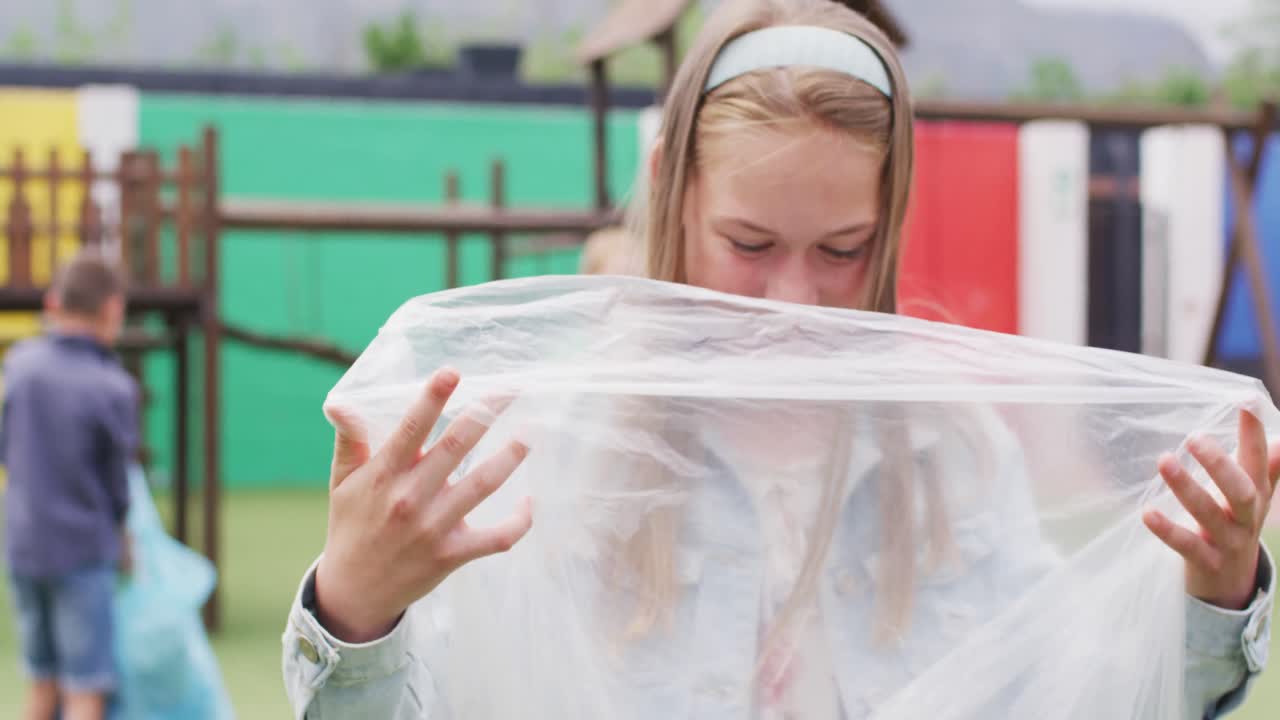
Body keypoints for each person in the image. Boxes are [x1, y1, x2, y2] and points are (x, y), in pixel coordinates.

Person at [283, 1, 1276, 717]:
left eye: (840, 251)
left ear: (886, 224)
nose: (792, 300)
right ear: (673, 190)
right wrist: (358, 608)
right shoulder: (547, 450)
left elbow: (1082, 690)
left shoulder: (951, 453)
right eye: (748, 243)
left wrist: (1207, 599)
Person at [2, 249, 138, 720]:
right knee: (85, 687)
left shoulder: (19, 365)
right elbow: (118, 488)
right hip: (82, 550)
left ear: (53, 302)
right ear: (112, 310)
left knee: (42, 682)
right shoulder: (113, 386)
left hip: (22, 545)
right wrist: (123, 539)